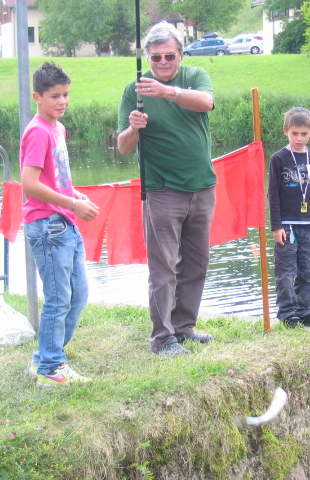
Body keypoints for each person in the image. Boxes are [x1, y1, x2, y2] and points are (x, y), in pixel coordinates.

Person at [117, 22, 216, 356]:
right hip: (161, 190)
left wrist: (168, 92)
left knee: (197, 263)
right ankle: (162, 338)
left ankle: (184, 327)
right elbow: (123, 147)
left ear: (181, 55)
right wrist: (133, 129)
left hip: (202, 187)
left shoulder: (195, 76)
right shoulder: (134, 90)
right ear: (148, 56)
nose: (162, 62)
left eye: (169, 56)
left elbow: (206, 102)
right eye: (156, 57)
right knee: (164, 268)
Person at [20, 62, 99, 386]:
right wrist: (73, 204)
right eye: (54, 96)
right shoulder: (38, 131)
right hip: (48, 225)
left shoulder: (57, 128)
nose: (62, 101)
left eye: (65, 94)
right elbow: (29, 184)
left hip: (65, 222)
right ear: (37, 97)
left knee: (78, 294)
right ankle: (51, 368)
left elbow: (57, 178)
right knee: (58, 298)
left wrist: (74, 194)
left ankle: (44, 357)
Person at [268, 107, 310, 328]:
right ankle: (287, 313)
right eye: (294, 133)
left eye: (304, 134)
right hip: (286, 226)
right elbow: (273, 195)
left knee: (307, 271)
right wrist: (276, 226)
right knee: (286, 272)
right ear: (286, 131)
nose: (299, 138)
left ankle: (305, 311)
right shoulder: (278, 159)